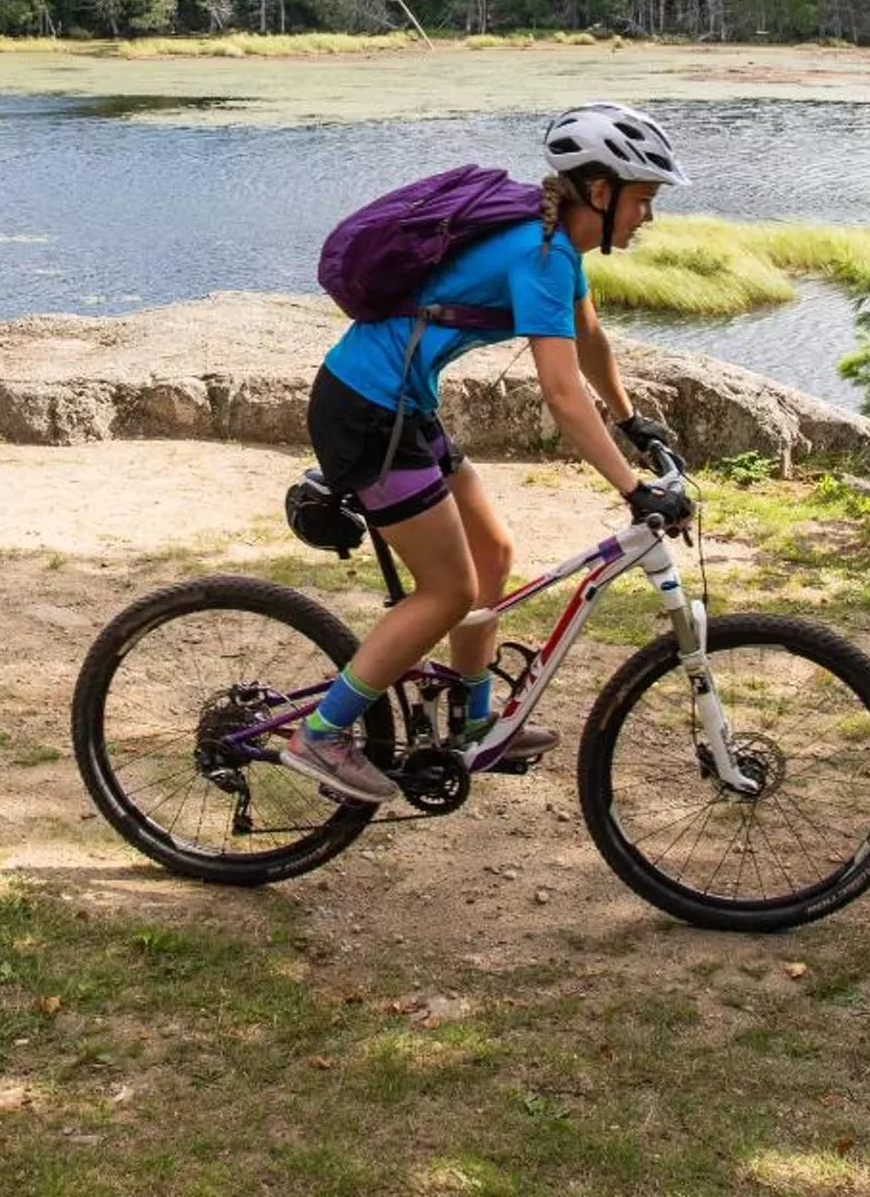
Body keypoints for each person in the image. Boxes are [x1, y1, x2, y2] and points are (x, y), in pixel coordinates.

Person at [283, 102, 696, 804]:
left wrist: (634, 423)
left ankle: (473, 726)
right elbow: (564, 396)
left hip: (400, 407)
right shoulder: (539, 254)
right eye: (644, 200)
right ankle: (321, 734)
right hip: (366, 412)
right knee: (448, 590)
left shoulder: (555, 248)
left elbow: (588, 340)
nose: (646, 217)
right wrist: (634, 490)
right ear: (601, 192)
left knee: (494, 554)